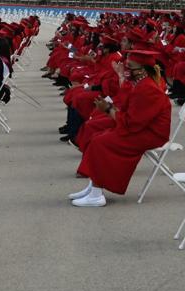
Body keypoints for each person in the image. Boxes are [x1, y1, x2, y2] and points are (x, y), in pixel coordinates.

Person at [69, 50, 172, 207]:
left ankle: (96, 194)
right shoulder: (140, 84)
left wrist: (108, 109)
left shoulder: (148, 88)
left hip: (151, 134)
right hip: (141, 129)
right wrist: (110, 107)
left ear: (143, 70)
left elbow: (132, 122)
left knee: (101, 142)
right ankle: (93, 187)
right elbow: (127, 110)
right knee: (97, 136)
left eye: (130, 67)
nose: (127, 70)